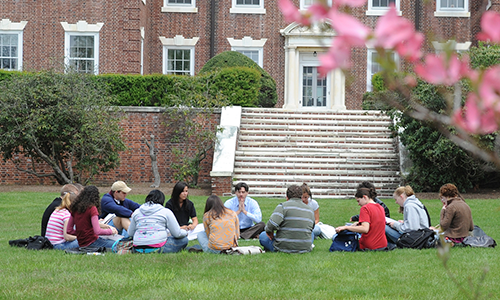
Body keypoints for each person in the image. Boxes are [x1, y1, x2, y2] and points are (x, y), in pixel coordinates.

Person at [259, 185, 315, 253]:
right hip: (305, 248)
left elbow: (272, 224)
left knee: (263, 236)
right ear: (301, 196)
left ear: (287, 197)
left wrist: (269, 231)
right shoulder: (310, 210)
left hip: (282, 247)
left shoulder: (282, 207)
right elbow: (311, 228)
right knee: (312, 234)